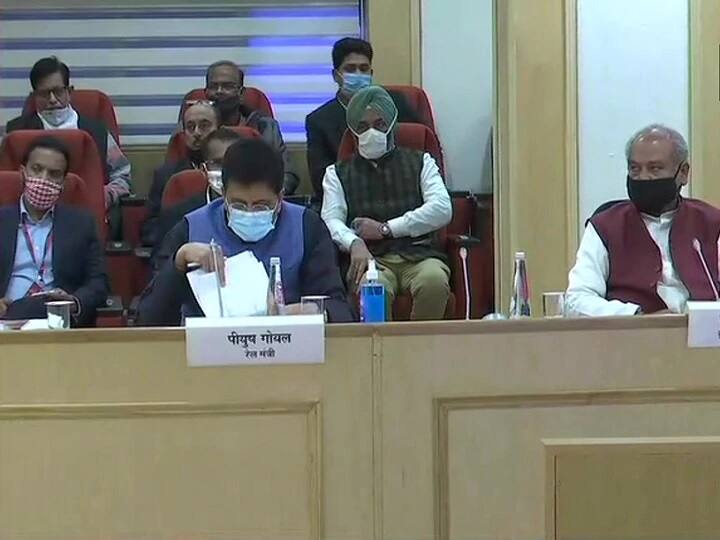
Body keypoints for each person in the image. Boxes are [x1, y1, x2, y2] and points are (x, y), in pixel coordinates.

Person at [137, 138, 352, 325]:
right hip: (207, 351)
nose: (249, 212)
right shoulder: (190, 229)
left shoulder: (306, 226)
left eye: (261, 205)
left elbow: (341, 311)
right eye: (238, 205)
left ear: (280, 197)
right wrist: (178, 263)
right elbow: (148, 318)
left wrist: (309, 311)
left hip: (288, 346)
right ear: (223, 193)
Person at [321, 86, 452, 321]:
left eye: (379, 124)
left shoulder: (421, 161)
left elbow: (442, 209)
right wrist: (354, 243)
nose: (371, 132)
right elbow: (330, 221)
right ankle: (381, 346)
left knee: (433, 282)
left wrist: (386, 229)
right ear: (353, 132)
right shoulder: (336, 173)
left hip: (420, 256)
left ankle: (420, 344)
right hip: (373, 260)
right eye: (363, 126)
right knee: (374, 290)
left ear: (391, 126)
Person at [567, 124, 720, 316]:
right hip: (634, 332)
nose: (643, 177)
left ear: (683, 173)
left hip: (703, 332)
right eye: (635, 169)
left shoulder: (712, 223)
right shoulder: (605, 226)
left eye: (655, 169)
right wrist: (637, 316)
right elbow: (577, 300)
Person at [0, 136, 109, 326]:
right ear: (23, 172)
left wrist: (74, 302)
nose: (43, 179)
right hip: (7, 320)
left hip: (58, 322)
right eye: (37, 169)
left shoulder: (81, 224)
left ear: (63, 182)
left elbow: (98, 283)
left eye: (54, 174)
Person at [5, 56, 131, 209]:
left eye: (58, 91)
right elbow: (7, 181)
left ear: (69, 92)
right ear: (34, 96)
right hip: (33, 213)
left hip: (88, 213)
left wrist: (101, 197)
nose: (52, 99)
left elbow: (122, 175)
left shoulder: (98, 132)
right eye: (44, 93)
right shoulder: (17, 132)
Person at [305, 38, 420, 201]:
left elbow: (421, 153)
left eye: (364, 69)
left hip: (402, 192)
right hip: (351, 201)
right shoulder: (319, 121)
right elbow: (321, 181)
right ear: (336, 76)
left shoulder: (396, 104)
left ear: (371, 74)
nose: (358, 74)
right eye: (350, 69)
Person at [204, 60, 299, 194]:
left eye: (228, 86)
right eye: (214, 86)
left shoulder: (265, 126)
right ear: (206, 92)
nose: (219, 91)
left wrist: (265, 195)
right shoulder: (195, 129)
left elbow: (288, 175)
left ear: (241, 93)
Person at [151, 127, 243, 263]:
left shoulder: (260, 211)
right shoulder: (179, 216)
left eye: (233, 162)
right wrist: (180, 259)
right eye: (217, 163)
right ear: (203, 169)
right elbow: (159, 269)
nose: (225, 170)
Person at [142, 101, 220, 247]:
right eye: (190, 127)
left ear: (220, 130)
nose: (197, 133)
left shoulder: (234, 171)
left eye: (204, 126)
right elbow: (150, 229)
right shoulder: (166, 175)